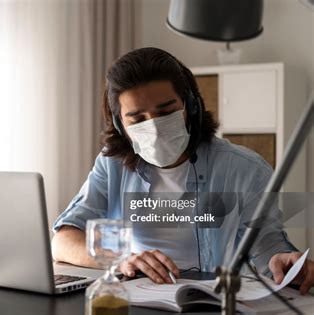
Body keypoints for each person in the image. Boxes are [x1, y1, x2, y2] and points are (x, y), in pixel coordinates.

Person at [51, 47, 314, 294]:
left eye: (166, 111)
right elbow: (62, 241)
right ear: (121, 125)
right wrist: (122, 260)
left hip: (211, 302)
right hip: (139, 300)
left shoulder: (245, 168)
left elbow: (267, 246)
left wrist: (285, 263)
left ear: (191, 106)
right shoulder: (112, 165)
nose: (154, 127)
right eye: (138, 119)